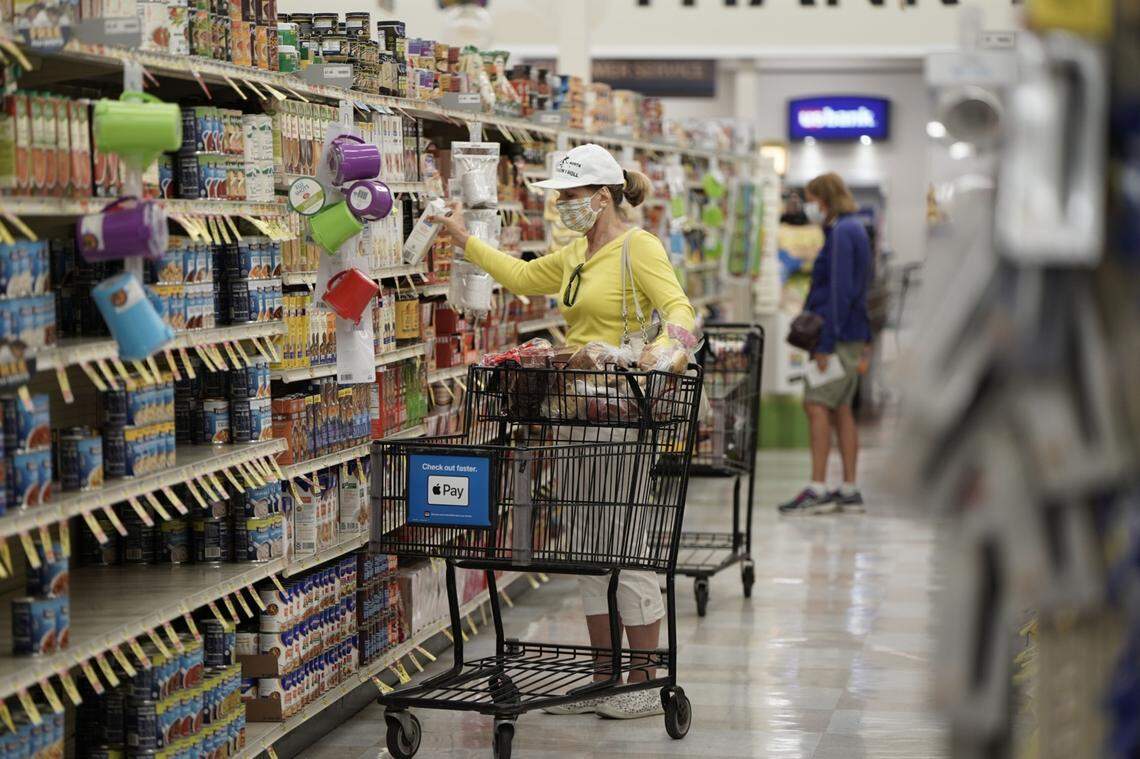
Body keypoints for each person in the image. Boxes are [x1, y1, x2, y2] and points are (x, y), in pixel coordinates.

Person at [428, 143, 696, 720]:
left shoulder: (638, 247)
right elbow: (522, 276)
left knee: (626, 542)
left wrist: (661, 351)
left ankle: (643, 680)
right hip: (575, 414)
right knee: (586, 546)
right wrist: (459, 235)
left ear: (602, 197)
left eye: (570, 197)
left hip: (624, 415)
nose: (561, 207)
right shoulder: (576, 253)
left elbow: (679, 309)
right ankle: (601, 679)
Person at [778, 172, 872, 516]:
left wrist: (825, 344)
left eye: (814, 200)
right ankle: (848, 488)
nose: (810, 207)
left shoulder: (844, 233)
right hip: (852, 333)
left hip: (837, 336)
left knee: (816, 405)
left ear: (826, 199)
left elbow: (840, 291)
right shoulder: (852, 229)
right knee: (842, 409)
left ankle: (818, 487)